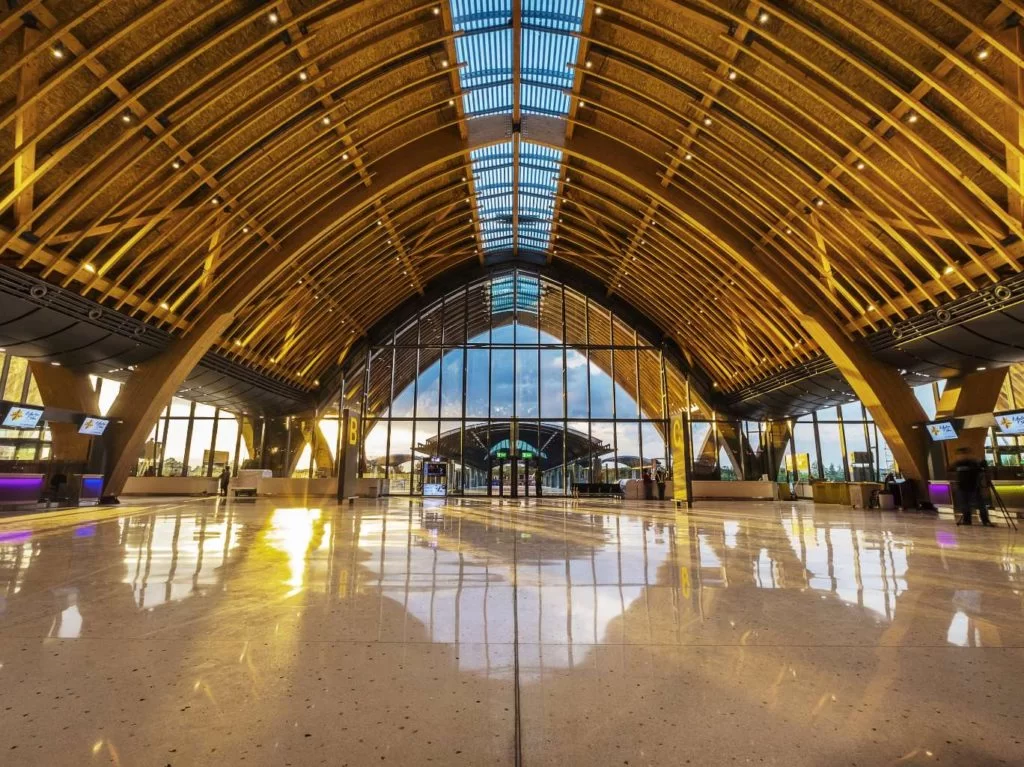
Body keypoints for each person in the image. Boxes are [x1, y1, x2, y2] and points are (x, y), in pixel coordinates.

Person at [951, 447, 992, 526]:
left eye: (963, 454)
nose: (961, 456)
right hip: (962, 487)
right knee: (964, 505)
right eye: (959, 455)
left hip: (974, 487)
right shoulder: (957, 464)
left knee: (980, 505)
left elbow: (981, 472)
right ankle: (967, 520)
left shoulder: (973, 463)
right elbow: (951, 471)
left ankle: (985, 520)